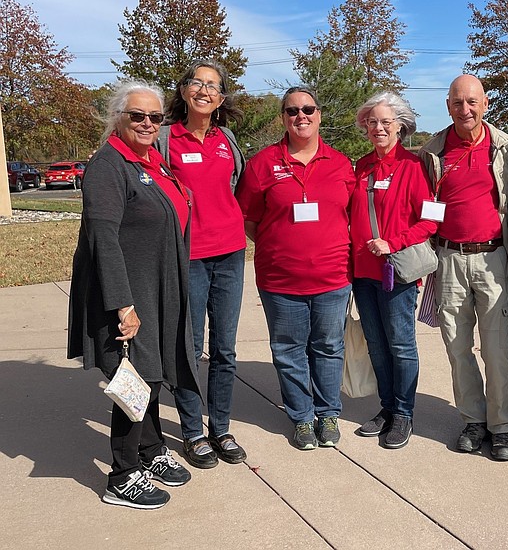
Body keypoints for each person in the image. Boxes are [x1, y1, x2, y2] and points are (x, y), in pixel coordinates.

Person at [68, 79, 199, 509]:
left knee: (154, 374)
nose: (147, 123)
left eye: (155, 117)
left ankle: (150, 450)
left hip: (158, 288)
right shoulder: (109, 166)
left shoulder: (151, 161)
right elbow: (102, 238)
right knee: (134, 380)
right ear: (118, 118)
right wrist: (123, 304)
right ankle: (122, 475)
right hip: (128, 293)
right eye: (137, 116)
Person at [236, 86, 356, 450]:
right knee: (288, 350)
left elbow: (351, 215)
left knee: (329, 346)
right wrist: (282, 245)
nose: (300, 116)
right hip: (280, 279)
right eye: (292, 111)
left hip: (333, 277)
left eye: (308, 109)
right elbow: (250, 219)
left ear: (319, 114)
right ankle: (302, 418)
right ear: (283, 118)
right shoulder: (262, 165)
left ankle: (329, 412)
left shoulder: (340, 164)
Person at [418, 74, 508, 461]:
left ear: (486, 103)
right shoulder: (432, 151)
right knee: (457, 347)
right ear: (448, 106)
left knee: (496, 350)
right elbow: (422, 205)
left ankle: (500, 427)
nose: (466, 109)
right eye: (458, 102)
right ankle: (472, 421)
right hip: (448, 259)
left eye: (472, 102)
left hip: (494, 257)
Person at [159, 59, 248, 469]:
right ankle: (193, 431)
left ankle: (221, 427)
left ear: (221, 98)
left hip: (230, 253)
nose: (204, 90)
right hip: (188, 257)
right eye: (197, 82)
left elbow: (238, 189)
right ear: (183, 91)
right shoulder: (164, 139)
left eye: (213, 85)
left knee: (224, 349)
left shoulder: (226, 139)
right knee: (191, 349)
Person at [349, 91, 438, 449]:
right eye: (372, 122)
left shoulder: (414, 167)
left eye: (386, 122)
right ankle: (387, 407)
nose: (378, 128)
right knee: (376, 343)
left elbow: (431, 220)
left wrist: (394, 242)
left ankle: (403, 413)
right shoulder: (362, 165)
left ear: (400, 127)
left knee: (400, 345)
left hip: (396, 272)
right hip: (362, 271)